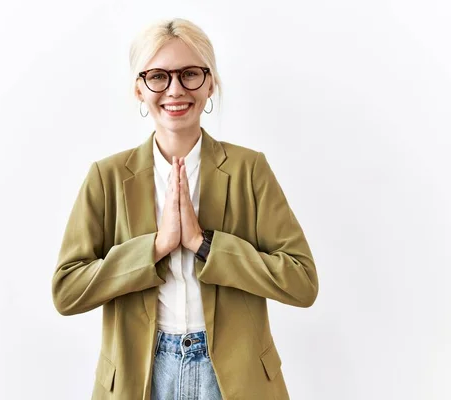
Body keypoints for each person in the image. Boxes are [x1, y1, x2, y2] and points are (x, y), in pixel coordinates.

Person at [52, 18, 319, 400]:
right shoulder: (106, 177)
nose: (175, 89)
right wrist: (155, 247)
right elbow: (66, 290)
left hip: (233, 376)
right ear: (139, 89)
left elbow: (302, 281)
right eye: (158, 76)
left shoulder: (249, 169)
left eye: (190, 74)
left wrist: (204, 243)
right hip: (140, 375)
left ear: (211, 83)